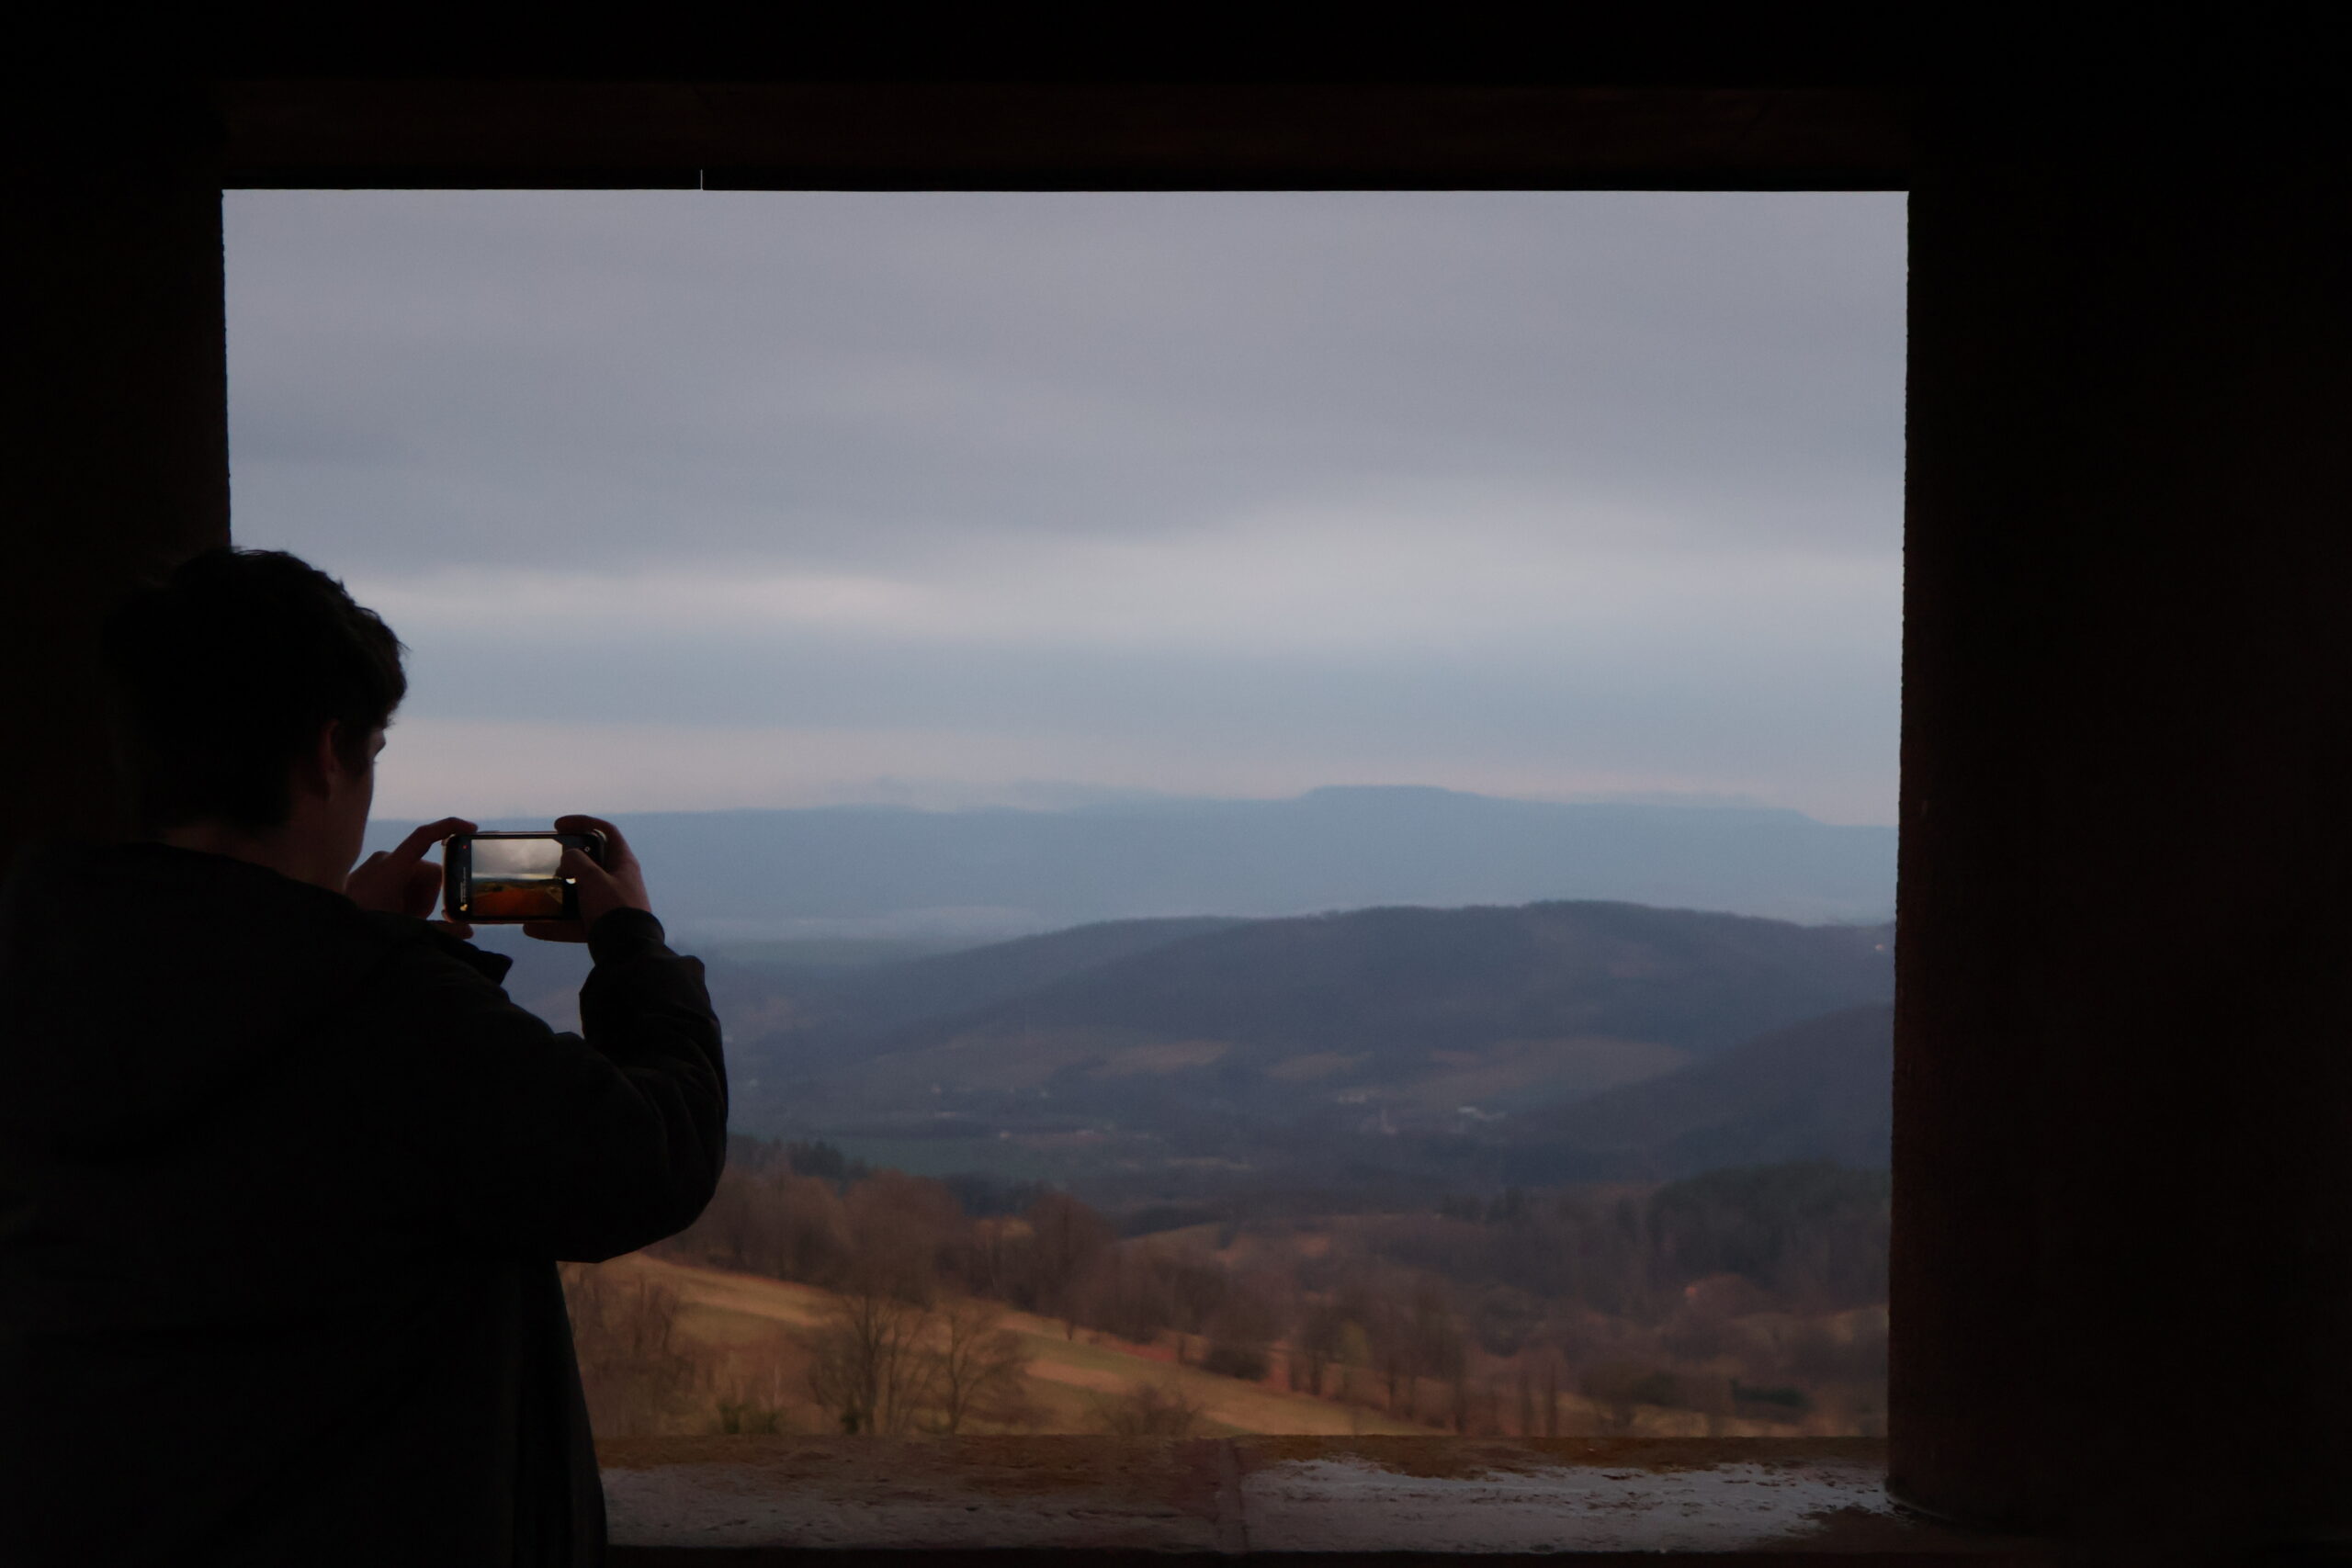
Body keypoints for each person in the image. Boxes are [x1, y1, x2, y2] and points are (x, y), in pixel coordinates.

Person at [0, 547, 726, 1566]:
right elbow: (647, 1158)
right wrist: (634, 948)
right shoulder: (383, 1015)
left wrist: (352, 946)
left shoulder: (39, 960)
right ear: (328, 754)